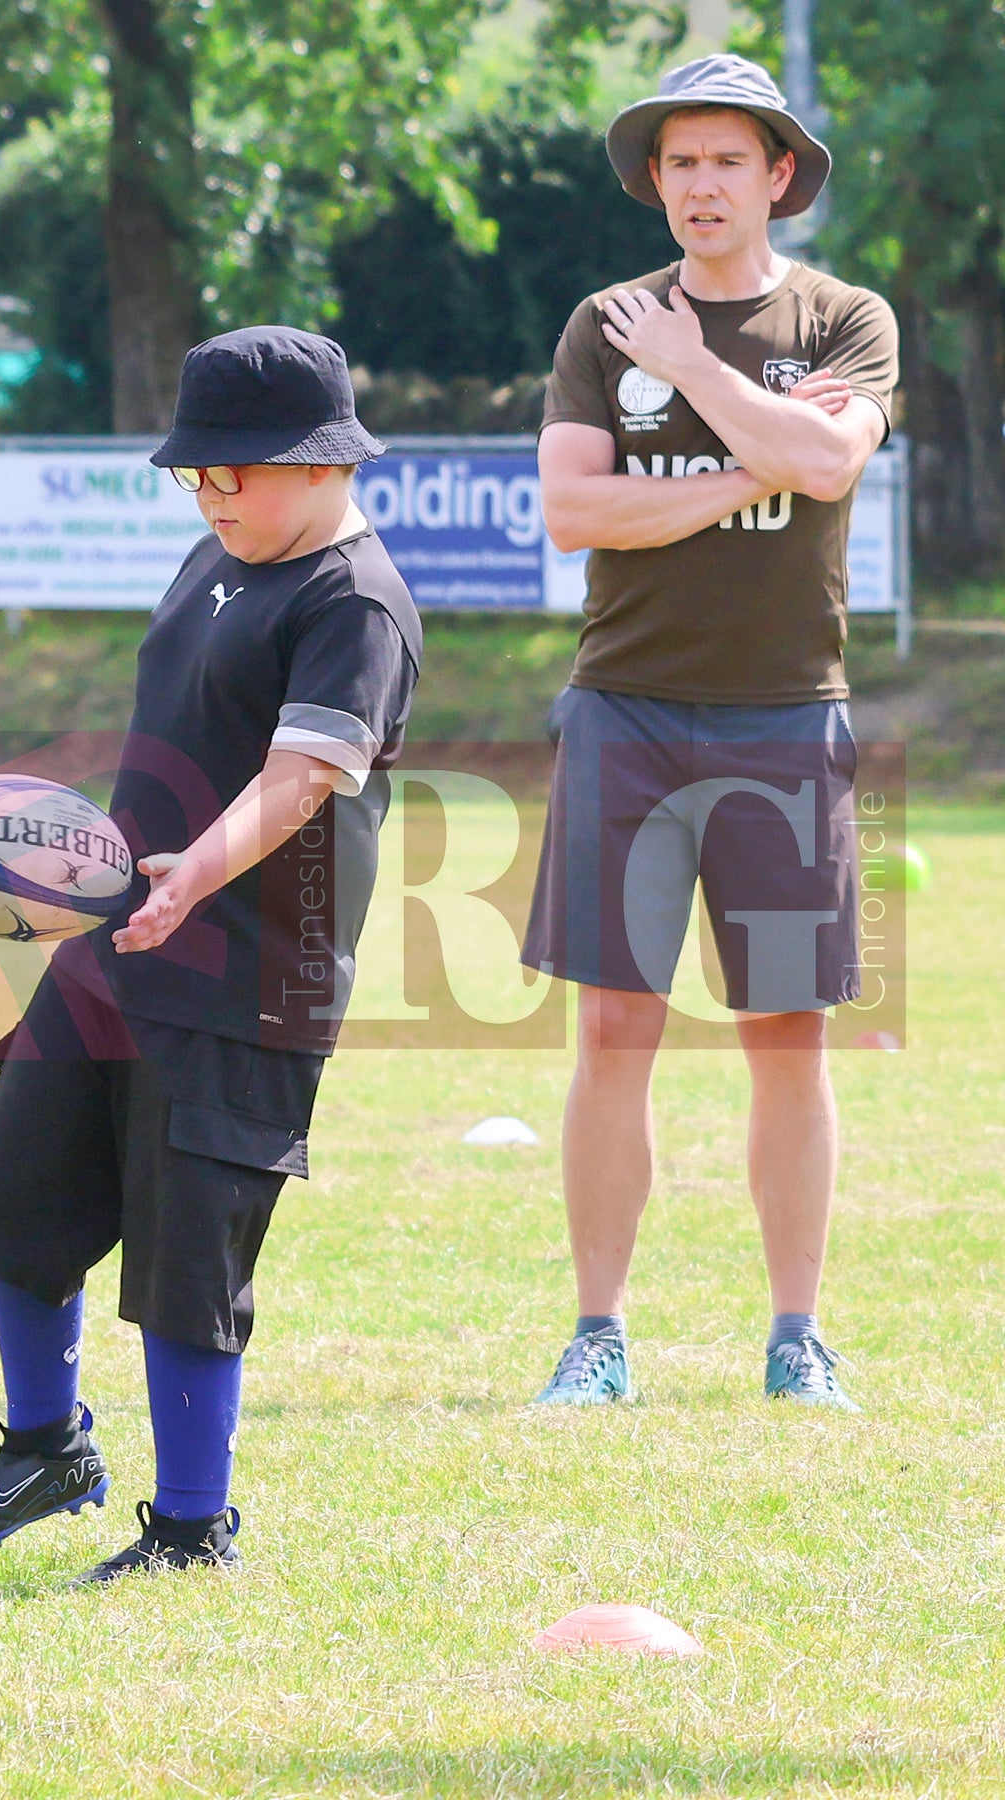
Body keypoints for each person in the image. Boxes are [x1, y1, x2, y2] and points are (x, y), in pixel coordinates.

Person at [0, 326, 422, 1583]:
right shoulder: (216, 555)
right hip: (118, 948)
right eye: (194, 476)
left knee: (188, 1258)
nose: (209, 494)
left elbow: (301, 779)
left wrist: (198, 868)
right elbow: (179, 729)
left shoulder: (354, 601)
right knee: (15, 1205)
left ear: (318, 464)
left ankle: (194, 1529)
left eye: (231, 474)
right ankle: (46, 1449)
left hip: (248, 976)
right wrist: (59, 854)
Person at [522, 54, 897, 1411]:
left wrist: (691, 371)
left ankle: (797, 1338)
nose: (700, 184)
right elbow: (576, 513)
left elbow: (835, 463)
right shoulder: (601, 322)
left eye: (726, 161)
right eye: (678, 162)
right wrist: (760, 457)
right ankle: (597, 1335)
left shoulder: (848, 317)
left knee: (784, 1036)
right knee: (614, 1032)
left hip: (791, 718)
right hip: (625, 711)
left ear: (778, 175)